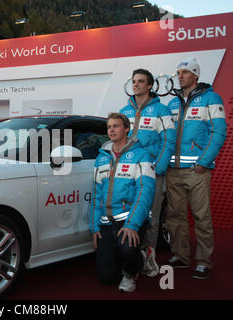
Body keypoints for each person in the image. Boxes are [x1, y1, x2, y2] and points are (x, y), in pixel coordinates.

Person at [165, 57, 227, 279]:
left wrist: (203, 162)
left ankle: (203, 261)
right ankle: (180, 256)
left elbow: (219, 132)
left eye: (184, 72)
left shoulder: (211, 98)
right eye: (178, 72)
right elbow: (166, 136)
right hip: (173, 169)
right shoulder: (172, 103)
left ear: (195, 75)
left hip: (197, 170)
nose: (179, 76)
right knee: (174, 216)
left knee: (202, 216)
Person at [90, 113, 156, 292]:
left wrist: (132, 225)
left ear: (126, 129)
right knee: (107, 278)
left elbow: (145, 192)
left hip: (128, 219)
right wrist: (95, 227)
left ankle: (133, 269)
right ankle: (136, 256)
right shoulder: (101, 157)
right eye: (109, 126)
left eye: (116, 126)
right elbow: (97, 195)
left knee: (127, 248)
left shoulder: (142, 155)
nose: (111, 129)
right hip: (106, 222)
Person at [120, 69, 176, 277]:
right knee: (130, 213)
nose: (136, 85)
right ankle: (131, 258)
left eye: (140, 81)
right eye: (134, 81)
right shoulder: (124, 111)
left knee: (151, 217)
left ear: (150, 85)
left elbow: (169, 141)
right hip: (128, 173)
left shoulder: (161, 110)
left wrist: (157, 168)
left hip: (151, 173)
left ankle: (148, 257)